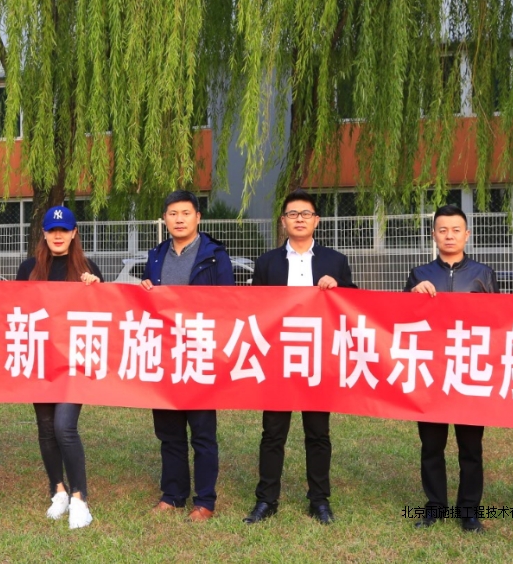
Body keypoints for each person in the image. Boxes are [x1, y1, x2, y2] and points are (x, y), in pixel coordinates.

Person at [243, 190, 354, 526]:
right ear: (284, 221)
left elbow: (353, 304)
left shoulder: (335, 261)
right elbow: (255, 309)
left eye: (306, 214)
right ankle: (266, 499)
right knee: (272, 432)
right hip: (279, 358)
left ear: (316, 220)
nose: (300, 219)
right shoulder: (267, 263)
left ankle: (319, 500)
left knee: (318, 432)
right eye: (293, 214)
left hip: (319, 357)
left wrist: (339, 286)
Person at [404, 204, 499, 533]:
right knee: (432, 446)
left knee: (471, 447)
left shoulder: (483, 274)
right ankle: (435, 507)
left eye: (456, 230)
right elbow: (401, 320)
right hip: (430, 372)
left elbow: (498, 322)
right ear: (434, 234)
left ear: (466, 234)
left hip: (469, 371)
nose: (449, 235)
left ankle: (469, 511)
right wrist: (413, 296)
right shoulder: (419, 274)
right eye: (442, 230)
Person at [141, 190, 234, 522]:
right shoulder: (156, 256)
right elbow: (148, 304)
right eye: (172, 214)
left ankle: (204, 500)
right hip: (165, 355)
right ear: (164, 219)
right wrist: (145, 291)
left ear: (198, 217)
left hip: (201, 353)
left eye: (185, 213)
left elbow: (228, 305)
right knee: (169, 432)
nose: (179, 219)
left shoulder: (215, 256)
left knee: (203, 433)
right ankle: (173, 494)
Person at [15, 205, 103, 529]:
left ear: (74, 233)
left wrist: (96, 288)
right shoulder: (29, 268)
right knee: (46, 427)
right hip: (40, 358)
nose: (57, 235)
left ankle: (80, 499)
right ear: (44, 233)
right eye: (52, 230)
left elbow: (104, 312)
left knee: (65, 426)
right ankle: (59, 491)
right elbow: (14, 309)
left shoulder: (87, 268)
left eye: (63, 230)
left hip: (74, 363)